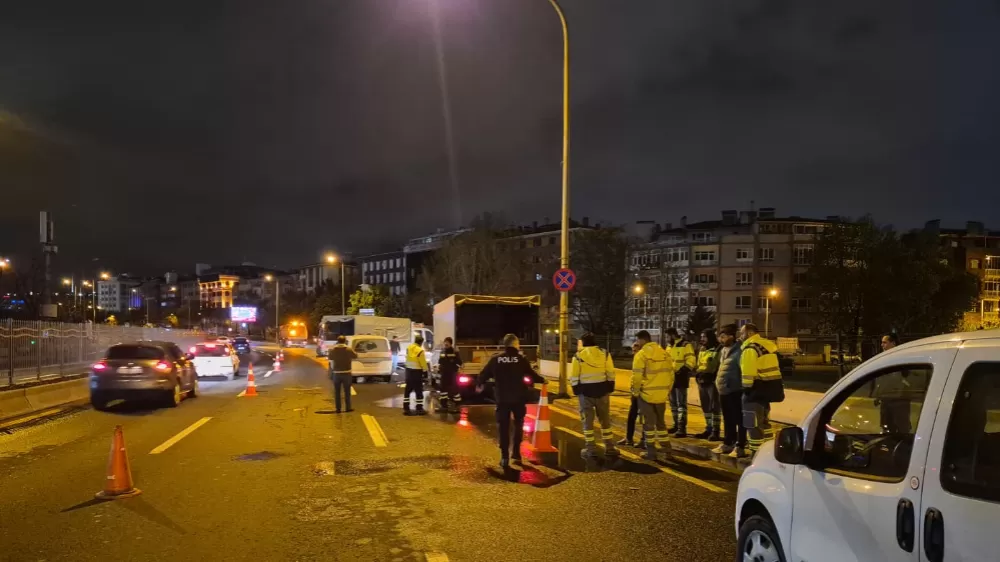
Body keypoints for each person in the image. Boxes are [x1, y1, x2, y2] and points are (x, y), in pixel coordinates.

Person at [477, 333, 546, 468]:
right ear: (515, 344)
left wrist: (480, 384)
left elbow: (483, 375)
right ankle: (516, 453)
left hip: (502, 399)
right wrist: (543, 380)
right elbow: (532, 375)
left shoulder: (496, 360)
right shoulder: (521, 359)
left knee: (503, 427)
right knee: (518, 425)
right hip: (518, 399)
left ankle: (504, 457)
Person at [570, 332, 618, 459]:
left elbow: (574, 376)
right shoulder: (605, 353)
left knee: (588, 423)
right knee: (605, 420)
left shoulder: (578, 356)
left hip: (585, 393)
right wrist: (609, 387)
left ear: (583, 343)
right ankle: (610, 447)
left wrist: (576, 390)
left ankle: (591, 449)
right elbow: (610, 372)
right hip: (602, 391)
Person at [739, 323, 784, 455]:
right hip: (767, 390)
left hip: (753, 392)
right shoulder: (767, 346)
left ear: (749, 333)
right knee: (765, 423)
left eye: (742, 333)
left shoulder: (750, 349)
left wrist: (745, 390)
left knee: (751, 423)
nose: (740, 336)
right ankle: (768, 452)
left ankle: (755, 454)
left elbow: (748, 374)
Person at [631, 330, 674, 461]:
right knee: (661, 424)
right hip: (661, 395)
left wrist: (635, 392)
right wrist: (666, 391)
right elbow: (671, 375)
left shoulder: (641, 355)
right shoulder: (665, 353)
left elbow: (636, 377)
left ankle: (651, 452)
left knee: (648, 425)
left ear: (642, 340)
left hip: (646, 395)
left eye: (638, 340)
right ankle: (667, 450)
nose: (637, 343)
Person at [712, 324, 747, 458]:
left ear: (731, 337)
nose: (720, 339)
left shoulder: (739, 351)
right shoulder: (723, 350)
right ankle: (728, 442)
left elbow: (743, 371)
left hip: (735, 390)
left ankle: (740, 445)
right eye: (720, 337)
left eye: (723, 337)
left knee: (739, 418)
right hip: (723, 390)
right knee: (727, 418)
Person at [665, 327, 695, 437]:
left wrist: (682, 370)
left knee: (681, 404)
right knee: (673, 404)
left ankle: (682, 428)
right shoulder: (669, 346)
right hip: (671, 378)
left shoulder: (685, 345)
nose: (667, 339)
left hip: (681, 377)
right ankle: (676, 425)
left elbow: (691, 361)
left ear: (673, 335)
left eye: (668, 336)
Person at [692, 329, 722, 441]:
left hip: (712, 382)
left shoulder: (718, 349)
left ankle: (716, 431)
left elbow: (717, 366)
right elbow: (699, 364)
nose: (702, 339)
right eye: (702, 337)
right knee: (706, 407)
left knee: (715, 407)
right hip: (702, 381)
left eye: (704, 337)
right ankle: (708, 428)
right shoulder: (702, 349)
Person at [618, 341, 646, 448]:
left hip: (642, 392)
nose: (634, 353)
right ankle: (628, 438)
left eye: (636, 350)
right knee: (631, 416)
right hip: (635, 392)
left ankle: (643, 440)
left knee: (643, 417)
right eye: (633, 351)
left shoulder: (643, 359)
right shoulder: (637, 359)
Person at [327, 335, 358, 413]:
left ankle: (338, 409)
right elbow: (355, 356)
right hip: (347, 373)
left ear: (338, 341)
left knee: (337, 392)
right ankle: (348, 408)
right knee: (347, 391)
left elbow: (330, 357)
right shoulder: (349, 349)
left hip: (336, 374)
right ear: (345, 341)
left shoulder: (333, 350)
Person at [403, 335, 429, 415]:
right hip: (417, 372)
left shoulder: (409, 348)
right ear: (421, 342)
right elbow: (423, 362)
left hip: (408, 371)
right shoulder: (420, 350)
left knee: (408, 390)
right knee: (418, 390)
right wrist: (425, 371)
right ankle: (419, 408)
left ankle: (406, 408)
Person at [437, 337, 463, 413]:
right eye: (445, 342)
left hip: (452, 374)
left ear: (450, 343)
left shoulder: (455, 352)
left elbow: (459, 362)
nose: (446, 343)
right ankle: (444, 406)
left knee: (454, 390)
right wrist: (439, 368)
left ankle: (457, 406)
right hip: (444, 374)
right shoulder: (442, 351)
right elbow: (440, 361)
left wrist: (455, 369)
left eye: (447, 342)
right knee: (443, 390)